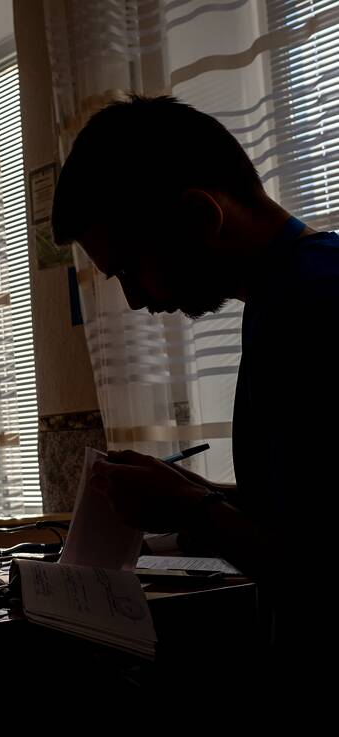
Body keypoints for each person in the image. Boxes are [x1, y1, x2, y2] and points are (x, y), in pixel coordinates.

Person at [51, 95, 339, 687]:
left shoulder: (315, 304)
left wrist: (189, 510)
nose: (135, 300)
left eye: (130, 269)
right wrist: (194, 491)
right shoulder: (288, 293)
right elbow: (301, 514)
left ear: (198, 216)